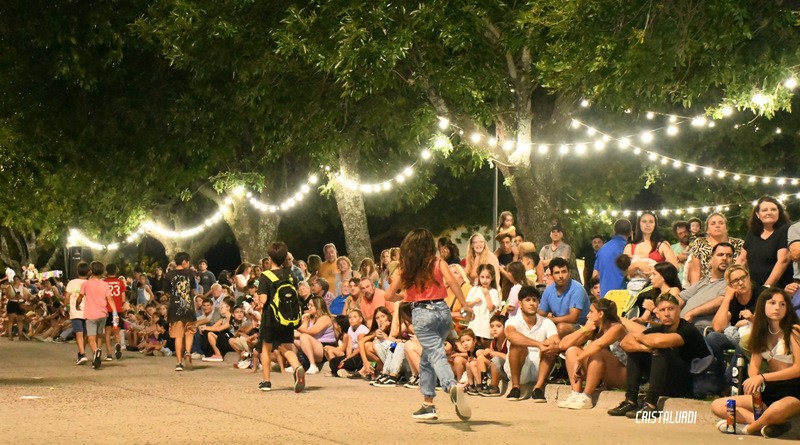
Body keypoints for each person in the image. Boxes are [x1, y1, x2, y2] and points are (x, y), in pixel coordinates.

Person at [385, 228, 473, 421]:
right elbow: (453, 282)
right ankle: (428, 404)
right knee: (427, 358)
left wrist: (404, 296)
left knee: (435, 353)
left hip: (423, 313)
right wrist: (465, 305)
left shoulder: (406, 268)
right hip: (443, 311)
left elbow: (388, 295)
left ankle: (451, 385)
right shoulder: (438, 262)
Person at [710, 288, 800, 438]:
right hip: (769, 390)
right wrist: (752, 381)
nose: (777, 307)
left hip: (794, 391)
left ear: (787, 308)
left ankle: (748, 429)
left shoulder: (794, 331)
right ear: (763, 306)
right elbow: (754, 365)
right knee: (718, 405)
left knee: (777, 409)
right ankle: (766, 424)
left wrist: (762, 378)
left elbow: (798, 369)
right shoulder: (760, 333)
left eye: (782, 304)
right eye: (772, 303)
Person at [609, 293, 710, 418]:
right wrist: (645, 348)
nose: (667, 314)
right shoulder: (660, 329)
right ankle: (630, 401)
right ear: (657, 314)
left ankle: (651, 404)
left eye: (671, 309)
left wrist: (640, 337)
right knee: (636, 352)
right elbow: (625, 343)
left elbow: (658, 342)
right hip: (668, 380)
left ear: (679, 310)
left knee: (660, 350)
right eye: (662, 310)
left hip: (691, 383)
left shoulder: (687, 329)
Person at [558, 298, 627, 409]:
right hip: (603, 375)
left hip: (622, 376)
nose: (587, 315)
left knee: (598, 352)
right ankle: (576, 394)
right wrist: (584, 329)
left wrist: (579, 359)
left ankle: (586, 397)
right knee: (572, 350)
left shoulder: (617, 327)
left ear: (600, 314)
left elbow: (599, 344)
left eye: (591, 312)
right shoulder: (595, 329)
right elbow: (563, 345)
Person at [257, 242, 305, 393]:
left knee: (266, 349)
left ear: (270, 258)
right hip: (287, 317)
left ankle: (266, 382)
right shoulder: (290, 275)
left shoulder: (266, 276)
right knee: (287, 347)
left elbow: (263, 300)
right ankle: (297, 367)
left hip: (270, 318)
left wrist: (258, 302)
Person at [707, 264, 760, 387]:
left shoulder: (761, 293)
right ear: (730, 285)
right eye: (735, 281)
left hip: (757, 338)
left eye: (743, 278)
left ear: (749, 277)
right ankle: (718, 378)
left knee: (744, 343)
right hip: (737, 336)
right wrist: (726, 299)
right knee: (712, 337)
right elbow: (718, 327)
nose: (741, 283)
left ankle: (726, 385)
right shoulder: (732, 299)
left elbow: (768, 322)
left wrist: (751, 319)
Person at [504, 286, 559, 402]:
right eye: (527, 300)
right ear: (520, 303)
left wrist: (549, 343)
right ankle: (515, 387)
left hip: (540, 366)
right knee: (517, 345)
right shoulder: (512, 321)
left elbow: (556, 340)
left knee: (550, 347)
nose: (532, 303)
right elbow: (511, 335)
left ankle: (538, 388)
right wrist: (539, 344)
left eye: (534, 300)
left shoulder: (547, 322)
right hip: (519, 367)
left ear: (538, 303)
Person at [737, 196, 793, 288]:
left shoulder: (786, 229)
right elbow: (742, 260)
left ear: (779, 212)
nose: (769, 212)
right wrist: (732, 279)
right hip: (754, 287)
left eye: (773, 209)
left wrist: (766, 288)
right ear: (757, 214)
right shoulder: (752, 232)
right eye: (764, 210)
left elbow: (783, 261)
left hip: (779, 288)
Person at [680, 242, 733, 331]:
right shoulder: (703, 282)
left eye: (729, 255)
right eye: (720, 255)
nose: (724, 258)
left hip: (700, 329)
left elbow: (720, 301)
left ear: (732, 261)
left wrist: (691, 313)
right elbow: (680, 298)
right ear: (711, 260)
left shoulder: (731, 282)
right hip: (681, 325)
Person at [77, 261, 119, 370]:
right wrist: (115, 312)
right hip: (103, 314)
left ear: (91, 271)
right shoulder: (105, 284)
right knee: (99, 335)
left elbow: (80, 297)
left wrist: (77, 305)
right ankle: (98, 352)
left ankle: (96, 352)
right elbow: (110, 299)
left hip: (91, 315)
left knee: (91, 338)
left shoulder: (86, 284)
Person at [685, 213, 744, 285]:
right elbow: (695, 270)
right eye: (713, 223)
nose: (717, 226)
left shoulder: (739, 244)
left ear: (726, 228)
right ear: (707, 229)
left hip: (733, 283)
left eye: (721, 223)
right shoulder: (699, 243)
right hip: (707, 285)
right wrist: (695, 289)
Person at [539, 257, 590, 338]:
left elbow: (572, 318)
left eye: (564, 272)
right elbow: (541, 314)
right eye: (557, 273)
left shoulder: (577, 289)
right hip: (558, 323)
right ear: (552, 275)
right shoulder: (548, 290)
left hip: (583, 327)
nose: (561, 276)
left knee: (561, 328)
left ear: (569, 273)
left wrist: (549, 320)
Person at [166, 252, 198, 372]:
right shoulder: (190, 273)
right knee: (189, 332)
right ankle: (188, 352)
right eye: (188, 262)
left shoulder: (169, 275)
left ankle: (179, 363)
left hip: (175, 309)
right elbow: (193, 289)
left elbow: (166, 292)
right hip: (189, 307)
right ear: (184, 262)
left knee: (178, 336)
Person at [622, 212, 679, 278]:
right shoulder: (630, 246)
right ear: (639, 224)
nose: (647, 225)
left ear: (655, 224)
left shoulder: (662, 245)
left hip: (657, 283)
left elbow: (675, 268)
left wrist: (656, 270)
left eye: (651, 222)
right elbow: (624, 272)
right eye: (644, 221)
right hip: (635, 283)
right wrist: (636, 265)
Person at [295, 296, 336, 374]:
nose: (309, 307)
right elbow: (302, 331)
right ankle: (296, 364)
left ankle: (313, 365)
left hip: (325, 347)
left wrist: (296, 326)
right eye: (308, 305)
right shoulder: (310, 318)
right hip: (313, 345)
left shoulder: (325, 318)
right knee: (293, 339)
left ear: (318, 307)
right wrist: (305, 321)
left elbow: (312, 332)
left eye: (311, 305)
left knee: (304, 336)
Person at [593, 219, 632, 297]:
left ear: (614, 231)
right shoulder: (628, 248)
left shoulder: (602, 249)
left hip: (604, 295)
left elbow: (595, 275)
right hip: (623, 295)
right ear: (630, 233)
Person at [465, 264, 500, 345]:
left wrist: (487, 295)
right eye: (482, 277)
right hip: (474, 325)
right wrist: (474, 302)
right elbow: (467, 305)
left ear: (492, 278)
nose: (485, 280)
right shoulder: (474, 289)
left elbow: (491, 308)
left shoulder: (493, 292)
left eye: (488, 277)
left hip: (486, 328)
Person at [476, 314, 508, 396]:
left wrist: (495, 353)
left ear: (506, 328)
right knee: (480, 357)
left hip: (508, 370)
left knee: (496, 359)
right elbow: (491, 356)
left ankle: (494, 387)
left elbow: (511, 358)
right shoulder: (494, 342)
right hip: (496, 369)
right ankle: (482, 384)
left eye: (498, 326)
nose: (494, 329)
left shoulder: (509, 341)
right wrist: (487, 352)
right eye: (492, 326)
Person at [65, 262, 89, 364]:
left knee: (79, 333)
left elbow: (67, 296)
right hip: (88, 311)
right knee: (85, 334)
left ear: (77, 271)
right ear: (88, 272)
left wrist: (65, 306)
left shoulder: (72, 283)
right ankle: (82, 353)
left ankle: (82, 354)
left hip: (76, 312)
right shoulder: (89, 283)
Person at [102, 263, 126, 361]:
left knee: (107, 333)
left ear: (106, 271)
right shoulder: (120, 282)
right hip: (117, 311)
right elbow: (123, 299)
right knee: (116, 331)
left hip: (107, 310)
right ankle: (118, 344)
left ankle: (109, 354)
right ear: (116, 271)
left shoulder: (104, 282)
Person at [671, 221, 691, 285]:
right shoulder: (672, 248)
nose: (684, 235)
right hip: (678, 283)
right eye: (680, 233)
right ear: (677, 235)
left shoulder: (697, 245)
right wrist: (677, 257)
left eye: (685, 232)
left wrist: (687, 257)